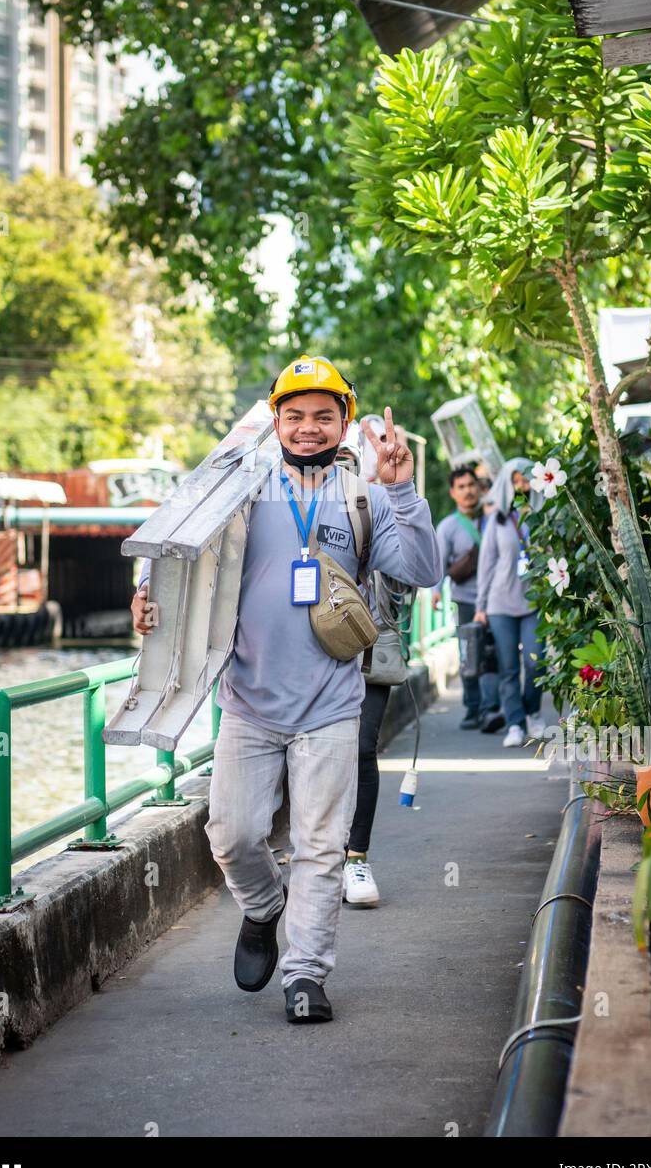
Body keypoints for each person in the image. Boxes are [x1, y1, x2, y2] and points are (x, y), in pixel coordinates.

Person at [131, 356, 441, 1023]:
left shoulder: (365, 495)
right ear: (275, 423)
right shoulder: (238, 488)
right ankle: (263, 906)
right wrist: (147, 597)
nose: (307, 428)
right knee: (232, 836)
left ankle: (305, 974)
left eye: (323, 416)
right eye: (294, 415)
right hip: (246, 701)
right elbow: (177, 554)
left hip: (331, 704)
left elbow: (422, 569)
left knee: (321, 847)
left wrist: (404, 490)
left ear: (344, 424)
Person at [335, 417, 415, 910]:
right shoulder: (296, 504)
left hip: (369, 649)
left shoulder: (377, 507)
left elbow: (414, 572)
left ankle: (356, 858)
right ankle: (317, 856)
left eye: (349, 463)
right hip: (308, 653)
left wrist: (394, 493)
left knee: (362, 749)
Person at [474, 457, 546, 748]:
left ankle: (533, 712)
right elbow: (486, 564)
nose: (520, 485)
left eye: (525, 479)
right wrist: (480, 607)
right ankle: (515, 723)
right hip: (500, 603)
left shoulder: (544, 516)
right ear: (506, 484)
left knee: (536, 662)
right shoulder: (497, 520)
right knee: (508, 668)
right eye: (515, 480)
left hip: (534, 602)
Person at [432, 465, 503, 732]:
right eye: (461, 487)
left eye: (471, 485)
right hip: (465, 600)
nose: (468, 491)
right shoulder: (448, 527)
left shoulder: (495, 518)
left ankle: (490, 708)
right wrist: (436, 591)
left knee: (494, 654)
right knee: (470, 656)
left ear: (480, 488)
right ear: (453, 492)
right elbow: (439, 562)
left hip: (497, 599)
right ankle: (473, 708)